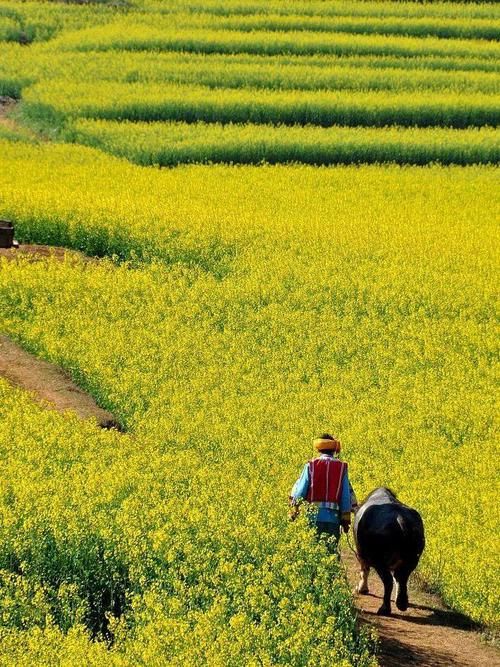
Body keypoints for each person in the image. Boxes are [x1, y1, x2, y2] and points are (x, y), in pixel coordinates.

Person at [289, 433, 357, 541]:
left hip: (313, 518)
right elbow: (345, 496)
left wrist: (294, 509)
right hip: (333, 520)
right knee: (331, 552)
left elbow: (300, 491)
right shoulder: (341, 467)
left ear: (319, 449)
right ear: (334, 450)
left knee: (313, 550)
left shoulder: (311, 465)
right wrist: (346, 518)